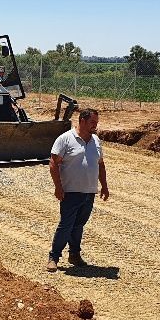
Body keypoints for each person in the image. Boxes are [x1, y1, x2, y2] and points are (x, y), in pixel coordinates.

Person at [47, 108, 109, 271]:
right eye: (92, 122)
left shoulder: (96, 140)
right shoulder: (65, 139)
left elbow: (100, 164)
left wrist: (104, 186)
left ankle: (74, 255)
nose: (95, 126)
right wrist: (58, 187)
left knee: (79, 225)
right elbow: (53, 164)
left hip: (89, 192)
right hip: (70, 192)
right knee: (66, 225)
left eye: (96, 122)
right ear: (82, 121)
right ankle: (53, 257)